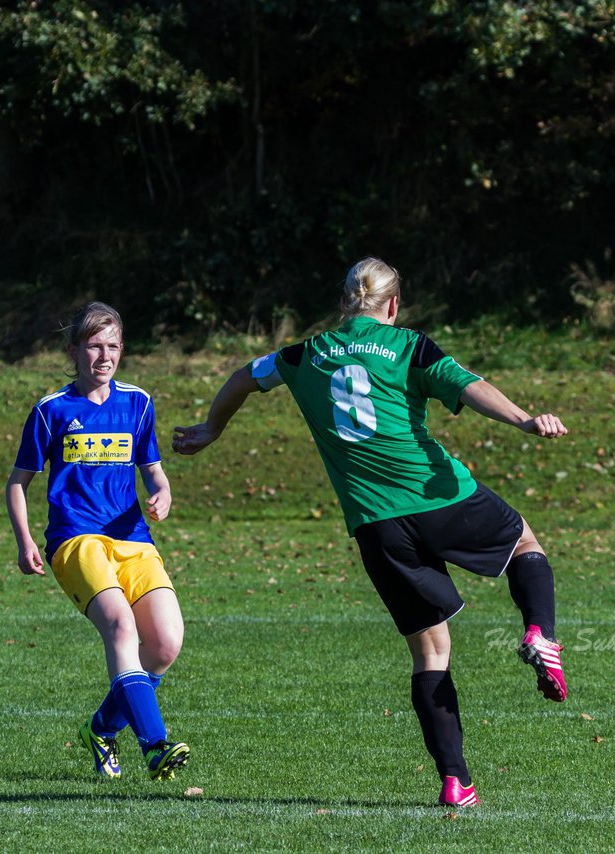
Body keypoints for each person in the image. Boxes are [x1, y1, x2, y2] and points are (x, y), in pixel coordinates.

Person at [172, 257, 568, 808]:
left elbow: (244, 376)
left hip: (376, 524)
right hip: (440, 498)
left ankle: (455, 782)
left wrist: (212, 429)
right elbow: (469, 385)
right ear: (393, 306)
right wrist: (525, 419)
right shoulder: (408, 346)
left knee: (430, 653)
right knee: (525, 543)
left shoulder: (302, 355)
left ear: (343, 305)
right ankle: (538, 633)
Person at [6, 301, 190, 782]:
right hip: (76, 540)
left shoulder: (138, 402)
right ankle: (155, 746)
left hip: (132, 538)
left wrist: (162, 493)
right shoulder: (51, 410)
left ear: (122, 349)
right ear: (73, 351)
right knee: (120, 627)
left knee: (166, 644)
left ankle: (102, 729)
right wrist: (25, 540)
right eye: (93, 346)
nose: (104, 356)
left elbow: (153, 470)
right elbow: (17, 482)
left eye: (112, 346)